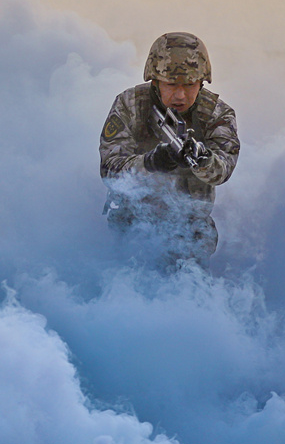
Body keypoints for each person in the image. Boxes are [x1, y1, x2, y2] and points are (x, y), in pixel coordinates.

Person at [99, 32, 240, 267]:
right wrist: (150, 163)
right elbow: (110, 170)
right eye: (172, 85)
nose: (180, 95)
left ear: (201, 83)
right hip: (132, 227)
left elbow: (223, 170)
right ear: (155, 82)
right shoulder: (130, 105)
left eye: (190, 85)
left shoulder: (216, 114)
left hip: (191, 233)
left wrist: (203, 160)